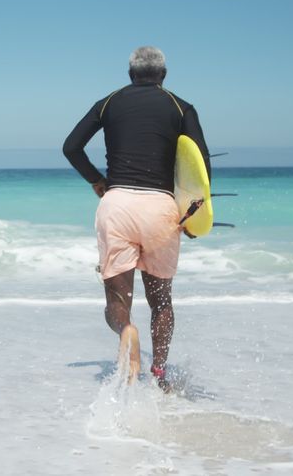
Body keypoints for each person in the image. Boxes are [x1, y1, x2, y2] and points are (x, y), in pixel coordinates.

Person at [62, 46, 211, 391]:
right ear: (163, 75)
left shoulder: (108, 103)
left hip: (117, 206)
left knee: (117, 301)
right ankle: (159, 374)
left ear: (130, 74)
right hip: (161, 208)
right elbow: (200, 164)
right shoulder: (181, 106)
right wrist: (193, 216)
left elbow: (71, 147)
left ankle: (126, 331)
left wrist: (96, 180)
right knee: (161, 302)